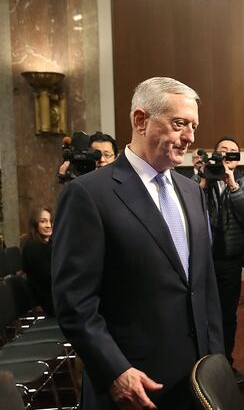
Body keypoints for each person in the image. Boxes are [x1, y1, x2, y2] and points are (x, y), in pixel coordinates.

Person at [52, 77, 223, 409]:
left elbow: (204, 286)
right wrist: (115, 372)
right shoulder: (89, 194)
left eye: (193, 126)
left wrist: (215, 359)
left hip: (195, 381)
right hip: (133, 386)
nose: (190, 137)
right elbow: (75, 303)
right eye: (179, 124)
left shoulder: (191, 192)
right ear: (141, 120)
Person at [196, 136, 244, 382]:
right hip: (203, 260)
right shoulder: (200, 180)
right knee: (203, 313)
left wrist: (231, 184)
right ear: (214, 155)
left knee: (228, 314)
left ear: (237, 160)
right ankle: (204, 366)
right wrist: (204, 179)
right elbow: (192, 210)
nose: (227, 157)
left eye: (233, 153)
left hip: (230, 259)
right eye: (223, 152)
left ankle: (226, 364)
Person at [21, 207, 55, 316]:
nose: (48, 225)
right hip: (48, 304)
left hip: (56, 298)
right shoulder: (33, 247)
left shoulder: (50, 243)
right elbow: (49, 279)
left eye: (50, 221)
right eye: (43, 221)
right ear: (35, 224)